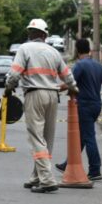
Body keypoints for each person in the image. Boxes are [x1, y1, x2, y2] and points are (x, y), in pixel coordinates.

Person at [5, 19, 77, 193]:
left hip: (34, 94)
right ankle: (36, 176)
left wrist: (8, 88)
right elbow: (67, 75)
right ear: (45, 35)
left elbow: (14, 74)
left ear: (31, 33)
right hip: (53, 96)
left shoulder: (24, 48)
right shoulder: (54, 52)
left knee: (36, 138)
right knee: (47, 138)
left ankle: (47, 179)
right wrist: (74, 89)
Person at [55, 39, 102, 181]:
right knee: (82, 136)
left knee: (89, 137)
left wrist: (55, 89)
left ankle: (95, 169)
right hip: (96, 105)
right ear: (89, 50)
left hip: (84, 105)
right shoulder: (98, 65)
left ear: (77, 50)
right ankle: (68, 164)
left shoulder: (80, 65)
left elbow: (69, 83)